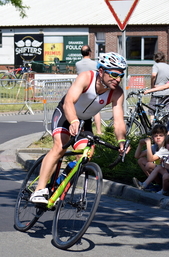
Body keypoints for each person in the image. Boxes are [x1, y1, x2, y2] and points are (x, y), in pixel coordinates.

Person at [30, 52, 128, 203]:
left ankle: (59, 185)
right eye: (114, 74)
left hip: (84, 121)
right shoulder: (86, 77)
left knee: (85, 156)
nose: (118, 79)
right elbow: (69, 101)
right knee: (60, 146)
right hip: (65, 113)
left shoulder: (117, 93)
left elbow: (119, 120)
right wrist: (73, 120)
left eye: (121, 75)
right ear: (101, 71)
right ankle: (39, 190)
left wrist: (121, 140)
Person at [75, 45, 102, 135]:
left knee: (81, 109)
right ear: (89, 52)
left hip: (81, 89)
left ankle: (81, 130)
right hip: (92, 88)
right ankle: (98, 131)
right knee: (95, 110)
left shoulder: (77, 64)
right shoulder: (94, 64)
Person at [149, 51, 169, 122]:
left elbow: (154, 75)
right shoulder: (168, 66)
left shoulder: (156, 65)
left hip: (157, 92)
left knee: (152, 110)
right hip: (167, 93)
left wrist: (152, 85)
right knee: (165, 112)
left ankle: (152, 127)